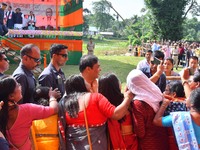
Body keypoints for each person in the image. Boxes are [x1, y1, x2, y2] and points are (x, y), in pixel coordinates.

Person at [59, 74, 134, 150]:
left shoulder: (63, 104)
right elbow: (116, 114)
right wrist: (128, 98)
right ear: (82, 85)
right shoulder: (95, 98)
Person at [0, 76, 59, 150]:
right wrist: (52, 97)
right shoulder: (26, 110)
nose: (20, 86)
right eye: (18, 85)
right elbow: (54, 109)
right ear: (11, 96)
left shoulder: (1, 111)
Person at [127, 69, 169, 150]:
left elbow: (140, 133)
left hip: (148, 144)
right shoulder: (157, 93)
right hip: (163, 141)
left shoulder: (138, 104)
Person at [99, 73, 138, 150]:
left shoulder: (101, 105)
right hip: (130, 144)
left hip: (111, 144)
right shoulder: (127, 101)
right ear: (116, 86)